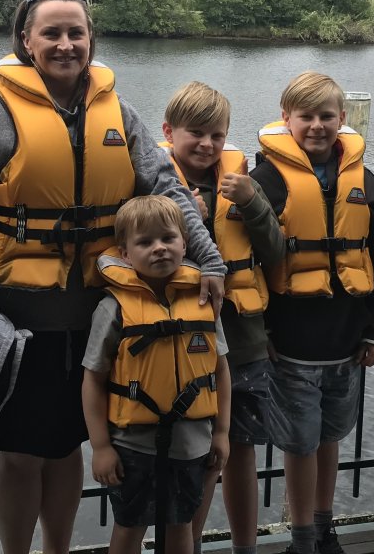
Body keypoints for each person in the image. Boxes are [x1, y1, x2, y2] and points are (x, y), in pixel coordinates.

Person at [0, 0, 226, 554]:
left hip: (95, 314)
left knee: (69, 446)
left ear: (91, 39)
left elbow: (165, 186)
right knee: (20, 455)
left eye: (76, 32)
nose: (65, 44)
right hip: (15, 317)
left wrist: (209, 257)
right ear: (26, 40)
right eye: (52, 33)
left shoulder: (119, 113)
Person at [250, 71, 374, 554]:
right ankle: (302, 538)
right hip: (291, 346)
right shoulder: (265, 182)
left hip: (347, 345)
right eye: (305, 116)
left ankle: (324, 525)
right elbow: (247, 266)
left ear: (342, 119)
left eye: (326, 116)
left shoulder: (364, 180)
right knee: (299, 445)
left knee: (330, 439)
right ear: (285, 118)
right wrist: (261, 331)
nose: (316, 125)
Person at [157, 82, 286, 554]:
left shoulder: (244, 183)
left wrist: (251, 202)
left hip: (244, 341)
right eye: (196, 133)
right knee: (191, 454)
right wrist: (181, 220)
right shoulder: (153, 186)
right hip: (182, 344)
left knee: (240, 450)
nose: (207, 144)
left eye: (217, 135)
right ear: (169, 132)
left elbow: (275, 252)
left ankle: (244, 547)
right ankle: (187, 544)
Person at [82, 196, 232, 554]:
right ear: (125, 253)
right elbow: (93, 380)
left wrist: (222, 432)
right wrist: (101, 447)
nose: (159, 248)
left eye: (168, 238)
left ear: (185, 243)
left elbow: (221, 370)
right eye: (145, 242)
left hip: (192, 443)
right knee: (129, 526)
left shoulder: (203, 302)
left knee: (180, 525)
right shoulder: (113, 308)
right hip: (132, 445)